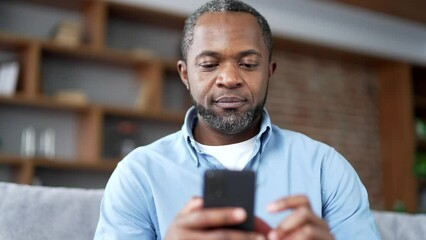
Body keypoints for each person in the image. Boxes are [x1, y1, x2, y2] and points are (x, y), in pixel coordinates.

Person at [94, 0, 380, 239]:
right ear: (185, 75)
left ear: (269, 71)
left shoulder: (326, 169)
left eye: (248, 64)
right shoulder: (137, 175)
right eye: (209, 64)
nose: (230, 79)